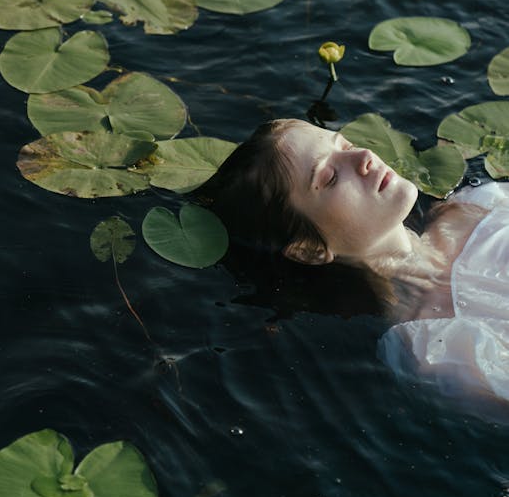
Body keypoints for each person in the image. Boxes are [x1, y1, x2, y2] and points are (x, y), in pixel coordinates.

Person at [198, 117, 509, 403]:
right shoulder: (432, 348)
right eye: (330, 177)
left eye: (344, 145)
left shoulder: (480, 204)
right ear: (309, 250)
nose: (364, 157)